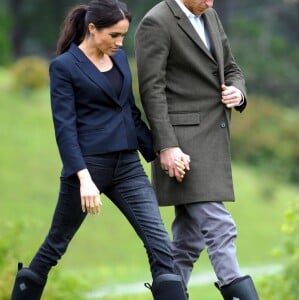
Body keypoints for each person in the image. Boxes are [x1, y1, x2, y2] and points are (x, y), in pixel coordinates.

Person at [10, 1, 188, 299]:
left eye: (123, 36)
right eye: (114, 35)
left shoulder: (117, 60)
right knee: (56, 245)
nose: (120, 43)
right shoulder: (64, 67)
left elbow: (129, 113)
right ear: (92, 28)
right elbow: (65, 128)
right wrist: (84, 178)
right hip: (88, 167)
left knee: (160, 245)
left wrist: (162, 150)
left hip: (128, 166)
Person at [135, 0, 260, 299]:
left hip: (213, 141)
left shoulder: (211, 15)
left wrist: (238, 92)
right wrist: (166, 146)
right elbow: (151, 89)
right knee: (220, 226)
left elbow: (231, 68)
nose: (211, 1)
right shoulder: (156, 22)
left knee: (189, 240)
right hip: (183, 146)